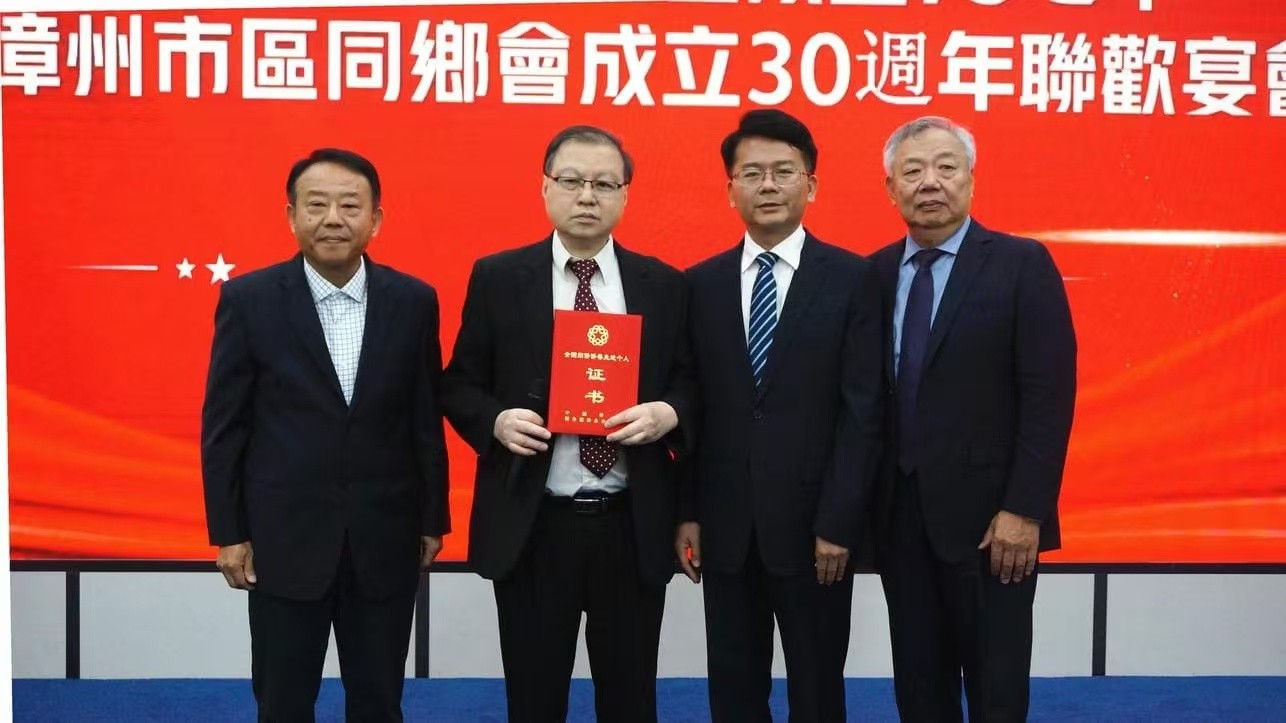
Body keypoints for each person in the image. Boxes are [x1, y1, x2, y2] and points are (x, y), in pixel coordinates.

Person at [441, 125, 695, 723]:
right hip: (534, 525)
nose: (587, 196)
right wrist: (497, 421)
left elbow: (692, 383)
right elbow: (458, 384)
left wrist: (668, 413)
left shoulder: (663, 284)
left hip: (629, 523)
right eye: (573, 180)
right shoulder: (499, 277)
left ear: (625, 195)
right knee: (534, 698)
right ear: (545, 187)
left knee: (630, 699)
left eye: (604, 184)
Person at [201, 148, 450, 722]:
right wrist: (229, 531)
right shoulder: (249, 300)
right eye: (316, 205)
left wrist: (432, 517)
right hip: (283, 541)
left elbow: (423, 418)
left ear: (376, 219)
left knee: (379, 700)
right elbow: (224, 428)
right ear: (291, 216)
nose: (332, 218)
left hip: (385, 536)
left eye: (349, 206)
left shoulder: (413, 301)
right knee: (283, 701)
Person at [677, 109, 883, 722]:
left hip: (817, 532)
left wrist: (840, 522)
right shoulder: (699, 285)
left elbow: (864, 412)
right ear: (730, 190)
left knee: (817, 689)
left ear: (810, 185)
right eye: (752, 173)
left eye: (783, 172)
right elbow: (692, 409)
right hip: (726, 530)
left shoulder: (855, 279)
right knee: (733, 688)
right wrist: (687, 512)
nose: (767, 185)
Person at [871, 115, 1077, 722]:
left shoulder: (1020, 263)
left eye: (946, 167)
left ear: (971, 179)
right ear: (890, 188)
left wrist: (1025, 509)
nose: (929, 182)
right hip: (900, 520)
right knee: (919, 687)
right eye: (912, 170)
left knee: (996, 687)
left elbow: (1048, 396)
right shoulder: (873, 274)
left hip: (994, 525)